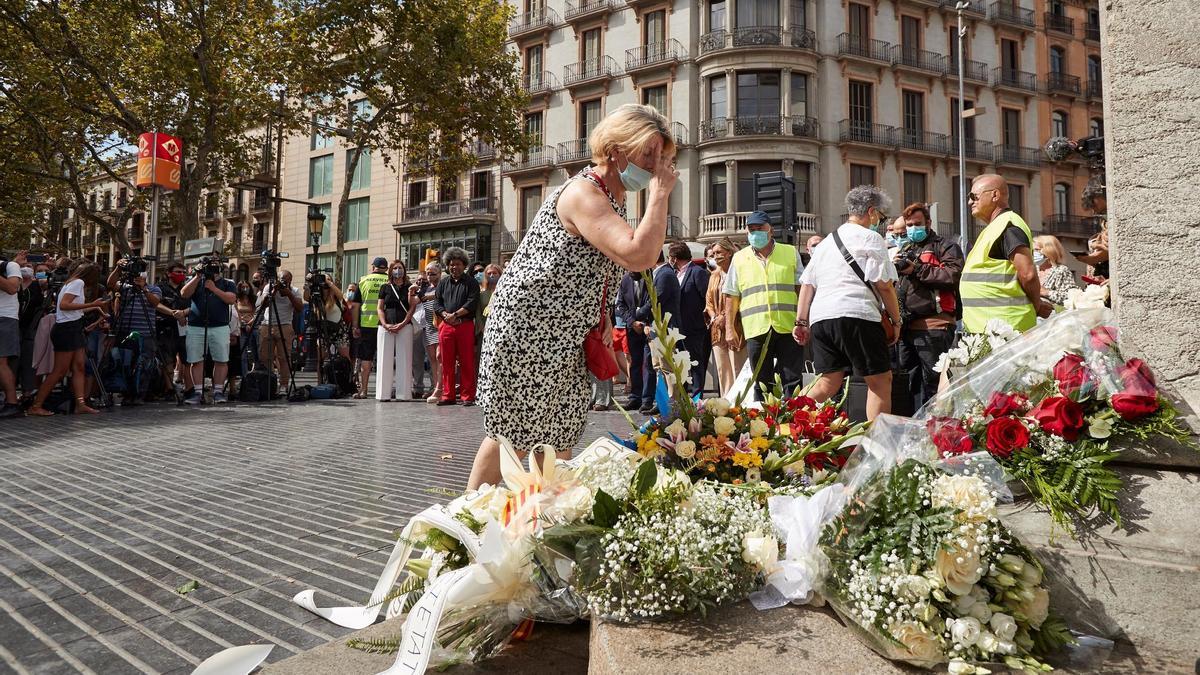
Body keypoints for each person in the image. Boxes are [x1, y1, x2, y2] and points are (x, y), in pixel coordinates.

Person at [468, 103, 678, 489]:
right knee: (511, 437)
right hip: (530, 331)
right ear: (616, 148)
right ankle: (461, 526)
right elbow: (639, 255)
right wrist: (660, 194)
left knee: (559, 435)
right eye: (648, 152)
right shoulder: (584, 192)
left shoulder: (611, 199)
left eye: (662, 157)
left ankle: (535, 525)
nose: (655, 165)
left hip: (567, 338)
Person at [794, 186, 901, 421]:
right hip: (857, 314)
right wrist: (896, 319)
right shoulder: (871, 238)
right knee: (880, 381)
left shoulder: (825, 243)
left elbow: (807, 284)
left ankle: (786, 423)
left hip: (821, 318)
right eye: (881, 218)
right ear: (872, 212)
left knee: (827, 381)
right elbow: (884, 285)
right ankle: (876, 446)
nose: (880, 223)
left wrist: (801, 321)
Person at [723, 210, 805, 397]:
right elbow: (731, 296)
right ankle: (764, 424)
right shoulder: (739, 258)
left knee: (792, 380)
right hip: (756, 328)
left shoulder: (790, 253)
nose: (755, 233)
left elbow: (801, 289)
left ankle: (793, 423)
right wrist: (730, 329)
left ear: (771, 230)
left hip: (788, 326)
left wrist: (803, 320)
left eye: (759, 228)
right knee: (761, 383)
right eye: (751, 229)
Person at [892, 204, 964, 411]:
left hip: (935, 326)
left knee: (934, 384)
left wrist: (916, 269)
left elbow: (952, 276)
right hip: (907, 328)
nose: (913, 228)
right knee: (911, 385)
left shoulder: (945, 247)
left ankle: (937, 429)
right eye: (909, 225)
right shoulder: (907, 249)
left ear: (928, 223)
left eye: (917, 224)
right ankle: (916, 429)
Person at [961, 174, 1052, 334]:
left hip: (1006, 330)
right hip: (991, 329)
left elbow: (1028, 274)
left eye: (974, 196)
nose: (970, 202)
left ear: (995, 195)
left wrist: (1036, 306)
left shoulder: (1008, 226)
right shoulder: (997, 227)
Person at [26, 262, 107, 415]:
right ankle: (36, 406)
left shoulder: (71, 282)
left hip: (73, 327)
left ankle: (80, 403)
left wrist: (95, 307)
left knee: (79, 367)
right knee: (60, 371)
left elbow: (72, 309)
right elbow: (64, 305)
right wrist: (92, 303)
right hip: (67, 329)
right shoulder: (78, 283)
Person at [106, 258, 164, 405]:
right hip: (126, 332)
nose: (139, 276)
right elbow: (111, 284)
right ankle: (126, 393)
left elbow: (155, 303)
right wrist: (118, 269)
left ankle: (140, 394)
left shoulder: (154, 289)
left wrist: (143, 289)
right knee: (125, 363)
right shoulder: (125, 287)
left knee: (144, 364)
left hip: (146, 334)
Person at [180, 262, 238, 405]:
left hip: (220, 326)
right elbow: (184, 294)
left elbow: (231, 299)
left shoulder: (227, 283)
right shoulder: (195, 281)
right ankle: (198, 393)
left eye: (215, 268)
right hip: (196, 326)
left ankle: (218, 392)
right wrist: (197, 276)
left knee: (221, 359)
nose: (212, 270)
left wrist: (213, 288)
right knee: (195, 359)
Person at [635, 250, 680, 414]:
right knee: (658, 367)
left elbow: (657, 299)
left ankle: (672, 402)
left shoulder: (665, 274)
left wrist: (638, 313)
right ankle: (663, 401)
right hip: (656, 328)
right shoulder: (659, 273)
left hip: (665, 328)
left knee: (667, 366)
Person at [434, 247, 480, 406]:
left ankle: (468, 396)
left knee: (467, 361)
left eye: (458, 264)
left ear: (464, 265)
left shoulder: (471, 282)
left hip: (464, 325)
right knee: (446, 362)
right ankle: (448, 395)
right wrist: (445, 314)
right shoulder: (443, 282)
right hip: (446, 326)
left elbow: (472, 302)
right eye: (452, 264)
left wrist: (456, 315)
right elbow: (437, 303)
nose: (455, 267)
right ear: (447, 265)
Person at [705, 237, 746, 396]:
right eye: (713, 253)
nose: (715, 256)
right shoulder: (714, 276)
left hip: (736, 326)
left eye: (718, 252)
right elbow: (708, 301)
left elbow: (740, 297)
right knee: (723, 370)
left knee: (738, 367)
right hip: (717, 329)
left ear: (729, 253)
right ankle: (726, 403)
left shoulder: (739, 273)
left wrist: (724, 316)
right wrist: (715, 316)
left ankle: (741, 403)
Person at [669, 240, 710, 396]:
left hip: (695, 327)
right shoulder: (675, 274)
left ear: (674, 258)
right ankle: (684, 394)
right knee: (682, 362)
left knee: (696, 362)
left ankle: (697, 395)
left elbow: (706, 298)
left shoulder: (697, 272)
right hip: (679, 327)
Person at [375, 259, 418, 401]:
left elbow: (412, 307)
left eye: (400, 268)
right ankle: (383, 394)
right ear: (390, 271)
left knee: (404, 359)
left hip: (404, 326)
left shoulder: (410, 287)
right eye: (395, 268)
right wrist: (385, 324)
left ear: (404, 271)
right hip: (385, 326)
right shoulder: (384, 288)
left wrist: (404, 323)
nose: (397, 271)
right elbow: (380, 308)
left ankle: (404, 394)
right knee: (383, 359)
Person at [255, 269, 302, 392]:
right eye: (281, 279)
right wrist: (274, 290)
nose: (283, 282)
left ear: (290, 281)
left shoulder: (295, 291)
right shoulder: (268, 287)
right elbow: (263, 305)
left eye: (286, 280)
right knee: (265, 356)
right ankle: (269, 382)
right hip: (267, 324)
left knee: (284, 357)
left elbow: (299, 308)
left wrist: (289, 294)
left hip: (285, 325)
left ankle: (284, 384)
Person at [349, 258, 390, 399]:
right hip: (386, 324)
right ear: (386, 268)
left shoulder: (364, 280)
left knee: (366, 359)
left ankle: (364, 390)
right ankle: (386, 390)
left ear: (373, 267)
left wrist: (355, 325)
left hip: (367, 325)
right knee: (387, 359)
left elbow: (355, 305)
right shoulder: (390, 281)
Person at [156, 262, 193, 401]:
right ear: (168, 273)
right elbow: (156, 303)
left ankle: (189, 389)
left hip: (185, 329)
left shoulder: (187, 289)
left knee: (188, 360)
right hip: (165, 328)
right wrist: (173, 314)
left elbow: (194, 306)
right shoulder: (160, 288)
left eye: (183, 272)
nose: (181, 275)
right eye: (177, 272)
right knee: (167, 361)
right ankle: (169, 389)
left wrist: (184, 313)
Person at [616, 270, 649, 408]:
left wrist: (641, 319)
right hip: (632, 328)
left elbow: (653, 301)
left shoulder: (651, 278)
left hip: (648, 325)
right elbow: (620, 305)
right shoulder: (625, 280)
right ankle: (635, 397)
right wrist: (632, 322)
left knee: (649, 364)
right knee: (634, 362)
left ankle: (647, 399)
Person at [303, 272, 352, 361]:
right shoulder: (317, 297)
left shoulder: (335, 296)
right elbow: (306, 297)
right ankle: (321, 374)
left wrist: (328, 282)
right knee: (321, 358)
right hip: (323, 331)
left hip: (338, 330)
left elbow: (341, 296)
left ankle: (348, 374)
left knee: (345, 356)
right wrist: (309, 283)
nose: (324, 282)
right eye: (322, 279)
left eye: (328, 279)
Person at [0, 251, 24, 416]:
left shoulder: (10, 266)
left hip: (4, 318)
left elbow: (12, 288)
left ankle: (12, 403)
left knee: (1, 362)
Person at [418, 263, 443, 403]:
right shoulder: (425, 288)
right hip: (428, 326)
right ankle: (435, 386)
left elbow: (441, 295)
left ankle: (441, 387)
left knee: (440, 358)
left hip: (440, 325)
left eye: (433, 273)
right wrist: (413, 290)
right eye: (428, 273)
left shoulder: (444, 285)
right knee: (432, 358)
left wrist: (428, 297)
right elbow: (415, 302)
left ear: (439, 273)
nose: (430, 276)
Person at [1033, 235, 1078, 306]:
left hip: (1053, 315)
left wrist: (1046, 292)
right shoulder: (1033, 269)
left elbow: (1070, 297)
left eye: (1036, 250)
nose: (1032, 253)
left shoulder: (1061, 270)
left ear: (1048, 250)